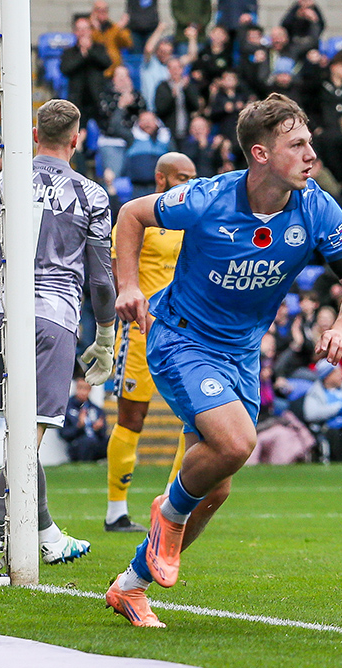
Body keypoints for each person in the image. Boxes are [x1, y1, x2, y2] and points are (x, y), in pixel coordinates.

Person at [104, 94, 342, 628]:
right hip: (180, 339)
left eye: (310, 143)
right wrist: (128, 286)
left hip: (241, 352)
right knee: (236, 444)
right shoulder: (208, 197)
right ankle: (167, 515)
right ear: (261, 154)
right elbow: (132, 215)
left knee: (215, 487)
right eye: (297, 145)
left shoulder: (317, 207)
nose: (310, 154)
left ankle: (130, 586)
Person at [0, 99, 114, 570]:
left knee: (18, 434)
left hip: (0, 312)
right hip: (53, 316)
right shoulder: (91, 195)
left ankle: (46, 533)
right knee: (28, 439)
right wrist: (104, 337)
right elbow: (101, 281)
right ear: (76, 140)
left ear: (35, 135)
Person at [104, 152, 195, 534]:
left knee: (194, 420)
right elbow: (115, 273)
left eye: (193, 177)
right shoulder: (137, 218)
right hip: (140, 331)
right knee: (132, 418)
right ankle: (116, 512)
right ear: (161, 179)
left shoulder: (195, 220)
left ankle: (173, 508)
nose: (189, 184)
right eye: (182, 177)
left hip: (186, 332)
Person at [61, 378, 110, 462]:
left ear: (90, 390)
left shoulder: (96, 409)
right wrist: (79, 426)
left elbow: (103, 433)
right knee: (87, 441)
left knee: (112, 440)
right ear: (76, 388)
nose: (83, 392)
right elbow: (64, 434)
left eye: (86, 388)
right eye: (80, 388)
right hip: (77, 444)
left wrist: (98, 428)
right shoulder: (67, 408)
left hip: (95, 443)